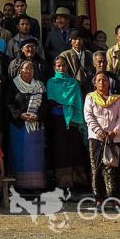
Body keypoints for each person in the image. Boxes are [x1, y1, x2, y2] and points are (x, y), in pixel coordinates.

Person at [46, 55, 88, 192]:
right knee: (61, 152)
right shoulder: (51, 82)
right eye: (58, 66)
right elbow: (51, 100)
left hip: (74, 121)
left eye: (63, 65)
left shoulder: (74, 83)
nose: (61, 68)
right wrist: (65, 105)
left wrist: (66, 105)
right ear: (54, 67)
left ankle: (78, 183)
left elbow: (78, 103)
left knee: (75, 151)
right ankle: (63, 184)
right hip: (58, 122)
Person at [84, 71, 120, 201]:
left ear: (109, 83)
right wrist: (99, 131)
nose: (102, 83)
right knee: (96, 168)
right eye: (99, 80)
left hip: (115, 138)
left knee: (113, 168)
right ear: (95, 84)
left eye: (105, 80)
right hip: (97, 138)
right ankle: (99, 198)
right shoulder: (90, 98)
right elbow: (89, 116)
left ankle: (113, 198)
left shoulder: (117, 99)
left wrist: (115, 132)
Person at [6, 59, 47, 192]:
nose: (29, 71)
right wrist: (20, 114)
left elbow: (45, 105)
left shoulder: (40, 86)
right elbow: (8, 103)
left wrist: (38, 116)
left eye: (31, 69)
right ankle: (20, 186)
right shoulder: (13, 85)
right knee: (20, 155)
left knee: (35, 156)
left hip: (36, 127)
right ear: (20, 70)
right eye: (26, 68)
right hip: (19, 126)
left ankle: (35, 186)